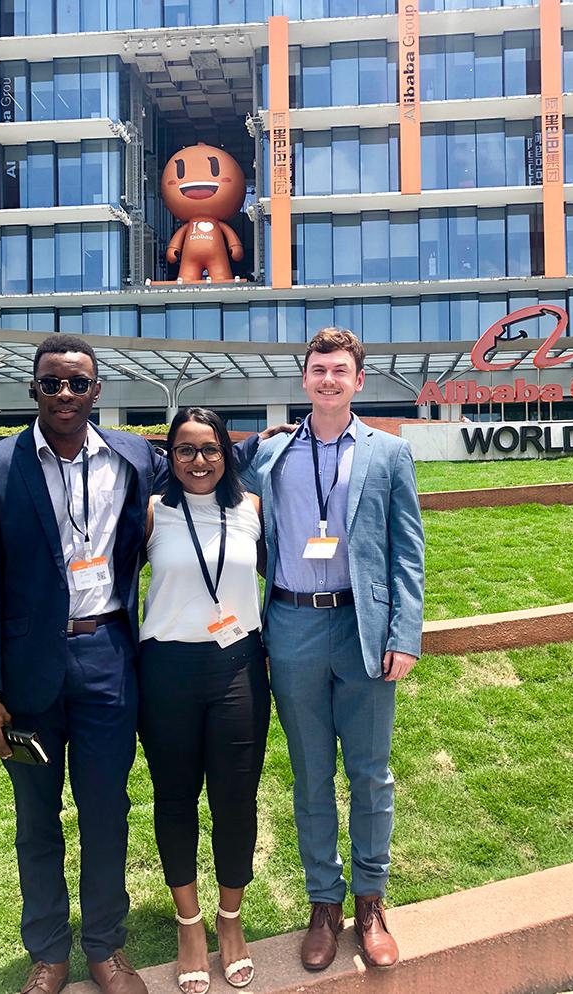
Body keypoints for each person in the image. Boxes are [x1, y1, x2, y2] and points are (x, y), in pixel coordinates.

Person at [0, 335, 286, 994]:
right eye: (52, 383)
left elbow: (201, 459)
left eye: (78, 383)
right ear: (34, 390)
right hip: (29, 679)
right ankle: (48, 955)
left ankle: (106, 948)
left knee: (107, 811)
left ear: (96, 391)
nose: (66, 395)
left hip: (109, 660)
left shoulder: (132, 455)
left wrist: (254, 444)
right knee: (36, 820)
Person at [240, 327, 425, 972]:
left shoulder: (387, 454)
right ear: (304, 379)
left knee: (370, 773)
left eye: (339, 370)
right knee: (310, 774)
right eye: (317, 369)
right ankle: (325, 903)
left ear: (358, 380)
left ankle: (371, 899)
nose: (327, 380)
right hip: (290, 624)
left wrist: (405, 633)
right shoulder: (272, 454)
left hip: (362, 628)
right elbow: (200, 467)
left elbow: (409, 551)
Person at [137, 408, 269, 994]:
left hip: (237, 665)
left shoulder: (251, 511)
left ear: (227, 453)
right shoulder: (151, 513)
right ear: (170, 455)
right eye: (185, 449)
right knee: (175, 798)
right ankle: (190, 927)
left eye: (210, 448)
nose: (199, 460)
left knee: (236, 800)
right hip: (166, 670)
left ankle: (230, 921)